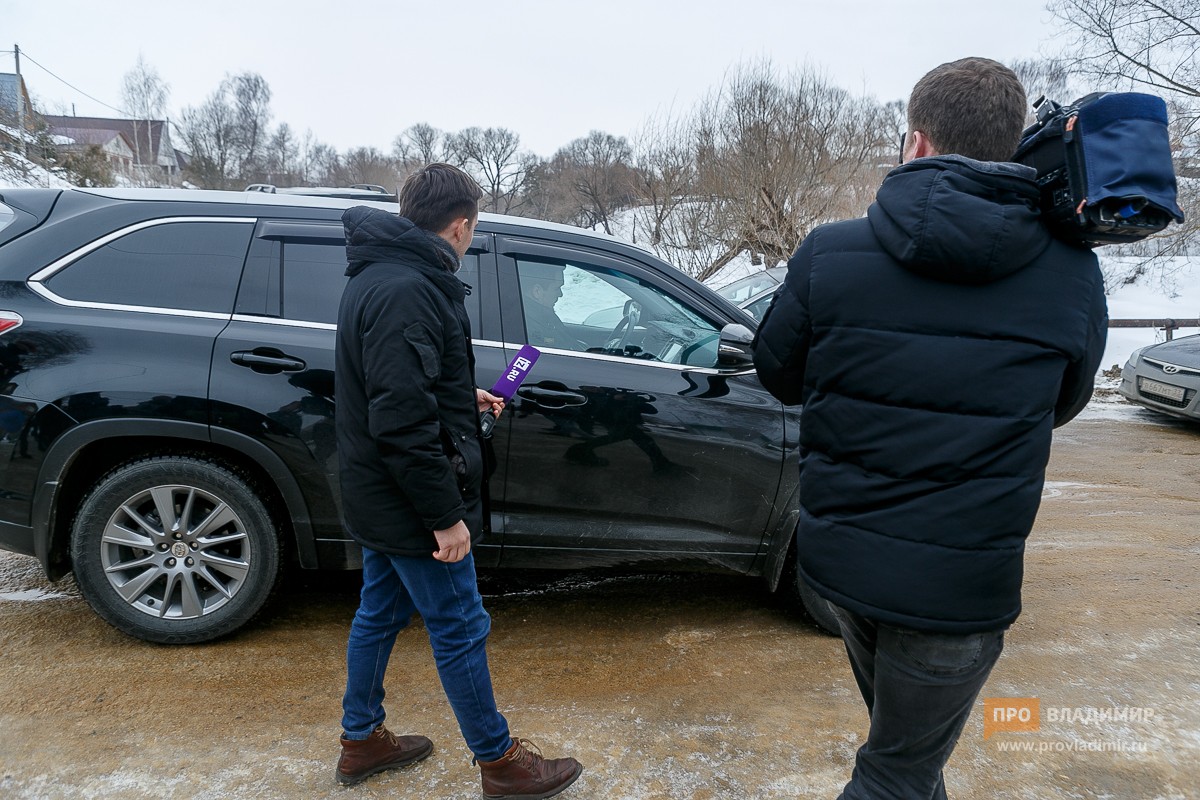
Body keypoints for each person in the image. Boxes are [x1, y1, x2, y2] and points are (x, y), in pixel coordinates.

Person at [751, 58, 1107, 799]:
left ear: (914, 142)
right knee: (898, 769)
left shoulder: (829, 251)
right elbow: (1065, 401)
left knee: (903, 760)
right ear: (1011, 147)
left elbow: (778, 373)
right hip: (960, 589)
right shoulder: (1071, 272)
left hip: (845, 568)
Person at [334, 163, 583, 798]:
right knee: (461, 624)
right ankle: (500, 763)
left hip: (380, 491)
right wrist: (444, 517)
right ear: (461, 224)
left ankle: (361, 740)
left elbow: (397, 390)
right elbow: (399, 422)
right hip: (409, 499)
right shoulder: (409, 290)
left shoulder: (386, 275)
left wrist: (457, 396)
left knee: (379, 612)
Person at [519, 262, 585, 350]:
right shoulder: (529, 329)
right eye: (557, 288)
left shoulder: (543, 315)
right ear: (537, 292)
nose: (560, 294)